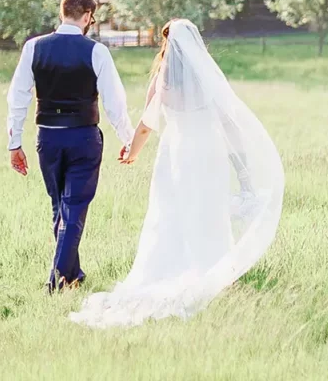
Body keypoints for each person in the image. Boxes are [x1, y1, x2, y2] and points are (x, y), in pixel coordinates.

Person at [71, 19, 284, 328]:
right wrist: (243, 168)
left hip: (176, 153)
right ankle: (218, 276)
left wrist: (132, 151)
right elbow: (228, 123)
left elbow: (146, 123)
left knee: (169, 213)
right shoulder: (206, 77)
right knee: (210, 213)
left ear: (167, 44)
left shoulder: (162, 80)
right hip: (209, 154)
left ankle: (171, 269)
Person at [6, 0, 134, 294]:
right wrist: (128, 139)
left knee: (61, 207)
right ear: (88, 16)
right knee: (73, 207)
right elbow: (114, 103)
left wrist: (14, 143)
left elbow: (18, 97)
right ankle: (59, 281)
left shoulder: (33, 47)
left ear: (62, 12)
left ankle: (73, 275)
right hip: (83, 137)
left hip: (47, 137)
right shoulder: (96, 51)